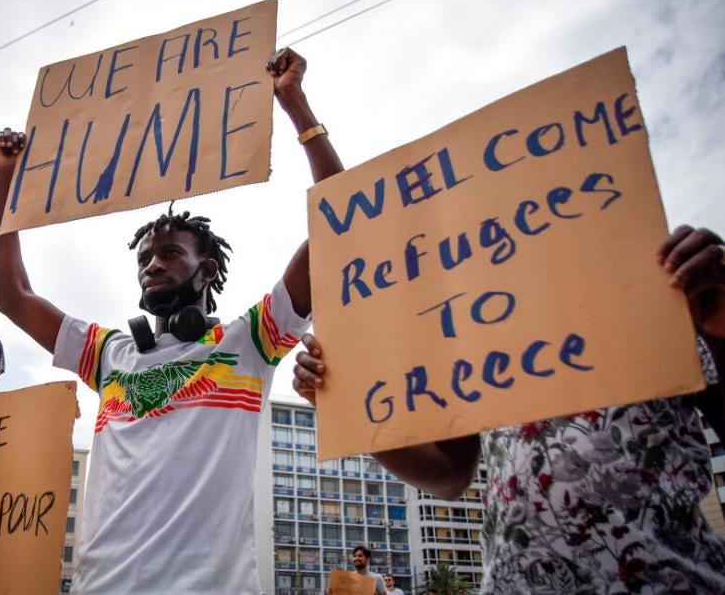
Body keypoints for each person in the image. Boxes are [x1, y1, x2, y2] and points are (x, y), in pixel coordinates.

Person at [0, 47, 343, 594]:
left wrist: (295, 106)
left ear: (208, 271)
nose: (152, 264)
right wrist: (4, 187)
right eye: (144, 259)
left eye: (170, 255)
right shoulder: (108, 353)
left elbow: (336, 225)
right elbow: (12, 296)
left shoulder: (250, 340)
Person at [293, 225, 725, 593]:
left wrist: (720, 327)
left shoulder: (665, 295)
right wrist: (348, 406)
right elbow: (449, 478)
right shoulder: (479, 342)